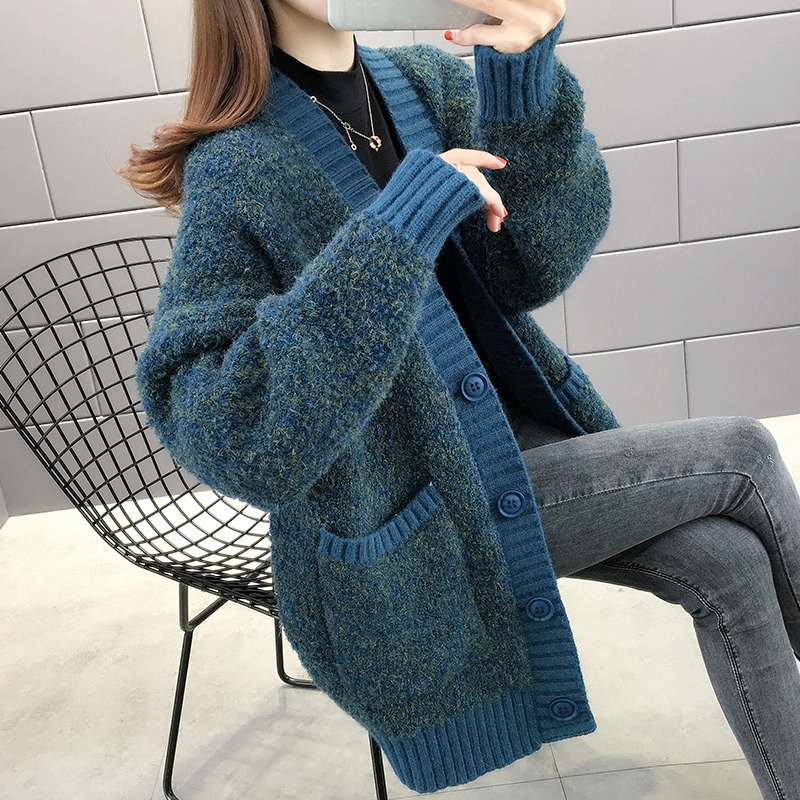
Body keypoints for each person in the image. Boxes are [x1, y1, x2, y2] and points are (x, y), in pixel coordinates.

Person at [123, 1, 800, 797]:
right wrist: (398, 226)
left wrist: (521, 84)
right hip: (422, 507)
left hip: (515, 443)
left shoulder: (423, 85)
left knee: (730, 562)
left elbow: (530, 267)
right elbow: (229, 432)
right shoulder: (239, 165)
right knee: (744, 452)